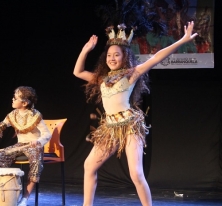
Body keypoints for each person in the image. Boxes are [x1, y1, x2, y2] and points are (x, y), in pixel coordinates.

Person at [73, 22, 197, 206]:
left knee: (136, 173)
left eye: (116, 55)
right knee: (89, 166)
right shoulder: (101, 79)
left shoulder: (131, 73)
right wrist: (85, 50)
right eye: (109, 55)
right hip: (110, 128)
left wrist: (183, 40)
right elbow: (78, 72)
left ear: (125, 57)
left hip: (130, 125)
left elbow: (156, 57)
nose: (112, 58)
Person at [0, 86, 51, 206]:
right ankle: (10, 191)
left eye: (15, 98)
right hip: (20, 146)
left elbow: (47, 134)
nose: (12, 100)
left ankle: (25, 199)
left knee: (36, 164)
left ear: (24, 102)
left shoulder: (35, 115)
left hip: (34, 146)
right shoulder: (12, 115)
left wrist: (38, 141)